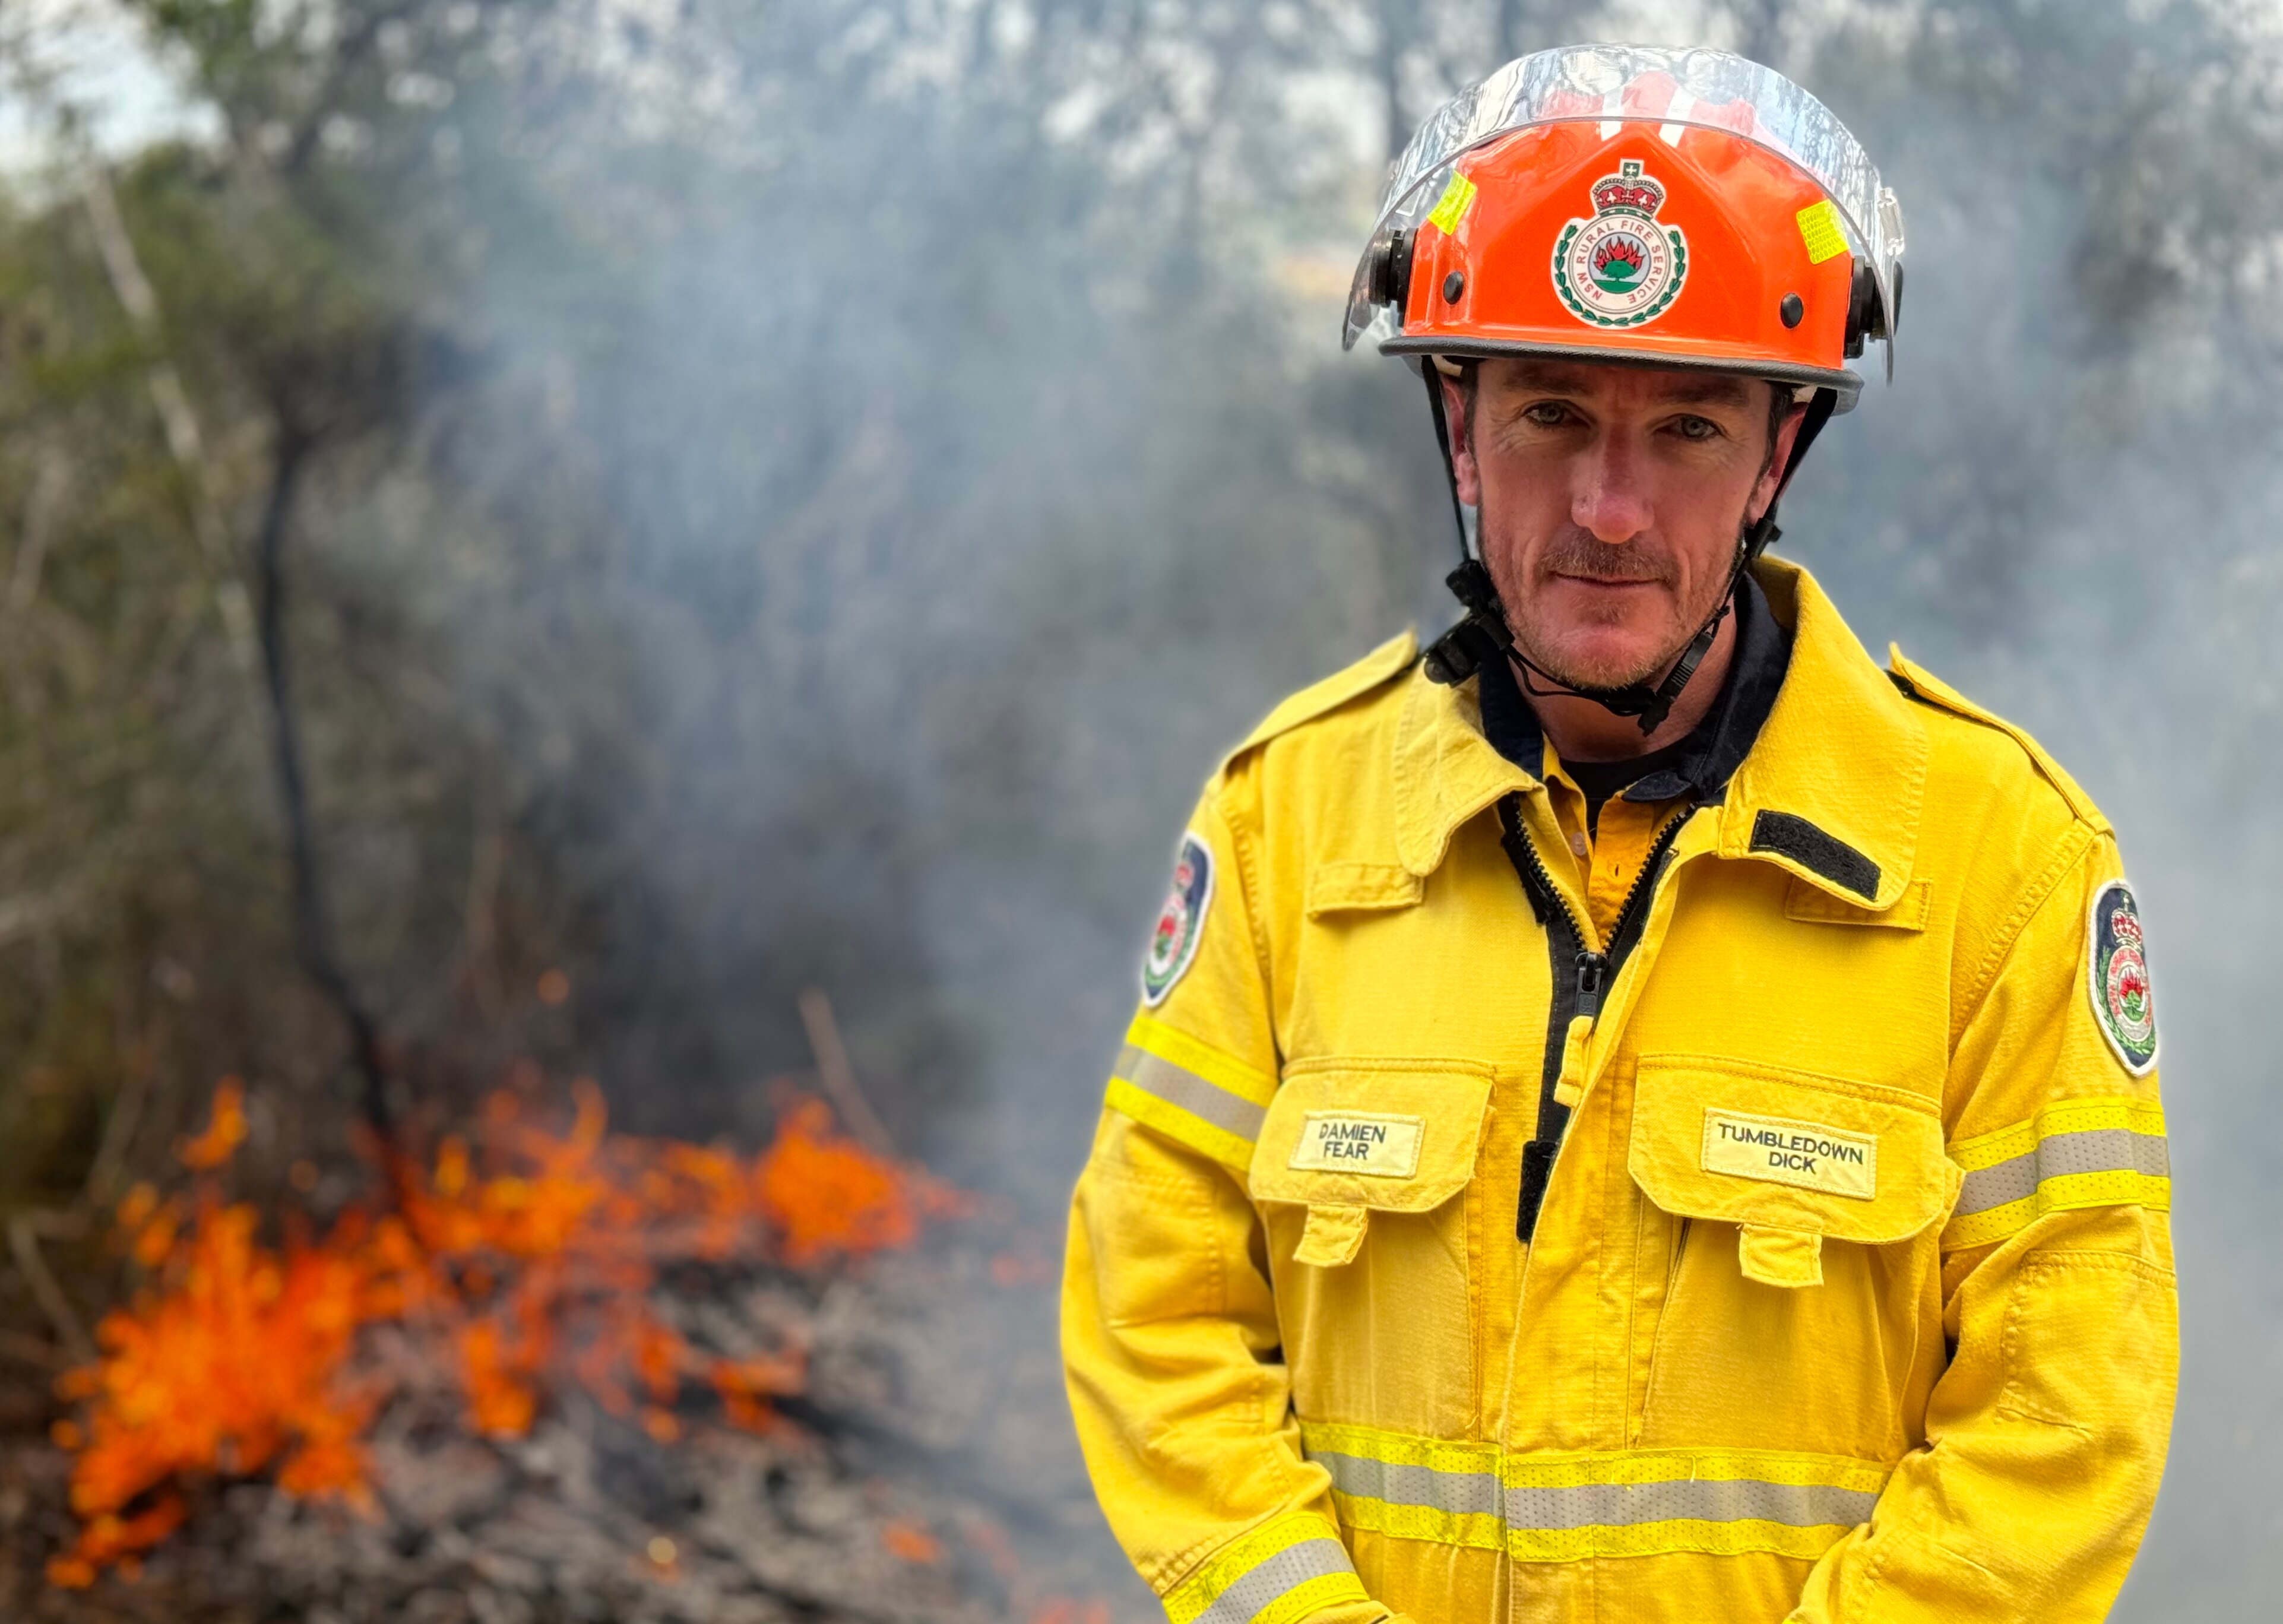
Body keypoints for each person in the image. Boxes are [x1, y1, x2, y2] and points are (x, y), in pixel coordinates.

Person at [1059, 45, 2177, 1624]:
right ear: (1462, 433)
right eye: (1551, 413)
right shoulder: (1284, 823)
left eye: (1690, 430)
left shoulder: (2002, 862)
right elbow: (1154, 1311)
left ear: (1778, 453)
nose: (1607, 507)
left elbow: (2064, 1424)